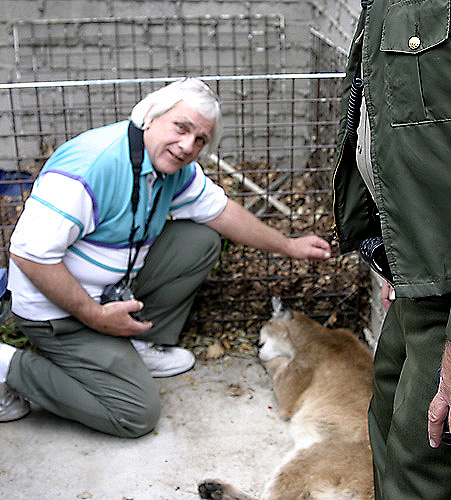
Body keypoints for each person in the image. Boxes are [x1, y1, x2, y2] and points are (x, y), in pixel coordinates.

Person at [0, 77, 331, 437]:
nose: (188, 145)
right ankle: (8, 366)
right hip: (58, 309)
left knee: (201, 239)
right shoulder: (93, 166)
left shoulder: (171, 168)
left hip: (112, 287)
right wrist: (93, 315)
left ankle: (137, 342)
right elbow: (29, 255)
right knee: (135, 414)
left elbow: (222, 213)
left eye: (200, 139)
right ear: (149, 115)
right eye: (181, 128)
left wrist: (289, 245)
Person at [334, 1, 451, 498]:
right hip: (416, 273)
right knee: (385, 425)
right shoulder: (384, 4)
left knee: (422, 460)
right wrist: (393, 249)